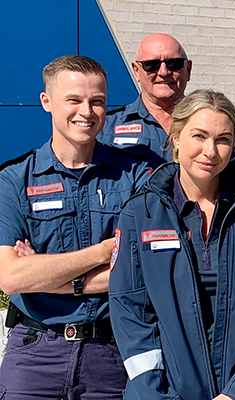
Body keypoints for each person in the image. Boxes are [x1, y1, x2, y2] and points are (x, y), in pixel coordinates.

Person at [108, 90, 235, 400]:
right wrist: (158, 395)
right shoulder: (141, 214)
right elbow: (130, 311)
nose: (210, 151)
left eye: (222, 139)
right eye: (199, 136)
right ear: (176, 138)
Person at [0, 55, 151, 399]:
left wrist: (48, 275)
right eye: (74, 100)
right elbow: (11, 276)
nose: (87, 111)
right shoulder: (13, 181)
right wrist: (102, 253)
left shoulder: (136, 177)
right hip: (35, 356)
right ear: (46, 102)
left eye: (97, 101)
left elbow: (144, 269)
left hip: (113, 354)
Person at [100, 33, 192, 163]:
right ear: (136, 71)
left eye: (173, 63)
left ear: (188, 70)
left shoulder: (211, 124)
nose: (163, 72)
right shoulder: (105, 128)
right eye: (152, 65)